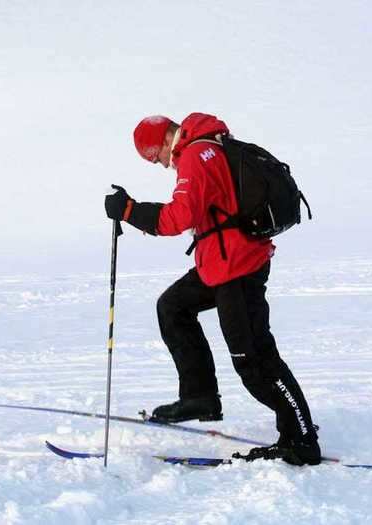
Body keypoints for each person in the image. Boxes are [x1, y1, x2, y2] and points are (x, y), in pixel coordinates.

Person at [104, 113, 321, 466]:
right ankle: (200, 396)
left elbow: (179, 218)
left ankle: (302, 440)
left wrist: (129, 211)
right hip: (220, 263)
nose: (159, 165)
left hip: (237, 267)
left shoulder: (194, 154)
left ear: (160, 144)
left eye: (153, 157)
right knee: (173, 307)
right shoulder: (209, 147)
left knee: (254, 360)